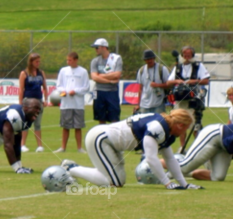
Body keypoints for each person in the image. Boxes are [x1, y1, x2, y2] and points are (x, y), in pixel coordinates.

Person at [61, 109, 198, 189]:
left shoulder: (167, 130)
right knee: (113, 182)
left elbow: (170, 159)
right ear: (180, 125)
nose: (186, 131)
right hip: (101, 138)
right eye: (186, 127)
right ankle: (71, 169)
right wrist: (167, 183)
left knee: (118, 180)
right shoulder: (158, 128)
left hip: (112, 144)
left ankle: (75, 169)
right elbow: (151, 158)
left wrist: (184, 184)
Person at [166, 46, 210, 141]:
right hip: (180, 99)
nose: (187, 57)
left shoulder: (198, 66)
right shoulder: (177, 67)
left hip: (193, 99)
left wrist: (193, 81)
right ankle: (182, 147)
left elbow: (206, 81)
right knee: (180, 122)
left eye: (189, 55)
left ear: (193, 55)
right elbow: (168, 82)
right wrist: (177, 81)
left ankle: (197, 146)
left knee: (195, 124)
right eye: (185, 55)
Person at [56, 51, 90, 152]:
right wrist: (64, 91)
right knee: (65, 127)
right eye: (67, 60)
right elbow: (59, 85)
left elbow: (86, 87)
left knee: (78, 127)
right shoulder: (63, 70)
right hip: (66, 104)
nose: (68, 62)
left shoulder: (83, 71)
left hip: (78, 104)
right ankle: (63, 147)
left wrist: (75, 91)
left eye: (70, 60)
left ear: (76, 60)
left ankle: (79, 148)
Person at [89, 38, 122, 125]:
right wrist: (110, 81)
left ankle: (114, 137)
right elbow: (94, 77)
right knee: (101, 118)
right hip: (99, 92)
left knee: (114, 118)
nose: (95, 50)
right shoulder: (95, 61)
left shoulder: (116, 59)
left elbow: (117, 74)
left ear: (104, 47)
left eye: (97, 47)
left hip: (112, 92)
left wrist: (101, 75)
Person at [18, 53, 46, 152]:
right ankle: (22, 145)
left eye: (39, 61)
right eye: (36, 61)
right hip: (28, 101)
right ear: (31, 62)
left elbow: (45, 87)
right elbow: (21, 89)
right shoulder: (24, 73)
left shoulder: (41, 73)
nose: (38, 63)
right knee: (26, 123)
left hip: (38, 100)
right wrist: (20, 103)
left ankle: (39, 145)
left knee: (38, 123)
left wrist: (46, 100)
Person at [136, 50, 170, 115]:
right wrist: (138, 104)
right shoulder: (141, 71)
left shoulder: (162, 69)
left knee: (159, 123)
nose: (149, 61)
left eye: (151, 59)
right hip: (144, 104)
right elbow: (140, 89)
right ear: (144, 60)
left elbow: (168, 85)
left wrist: (157, 85)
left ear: (154, 58)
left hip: (158, 103)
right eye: (147, 59)